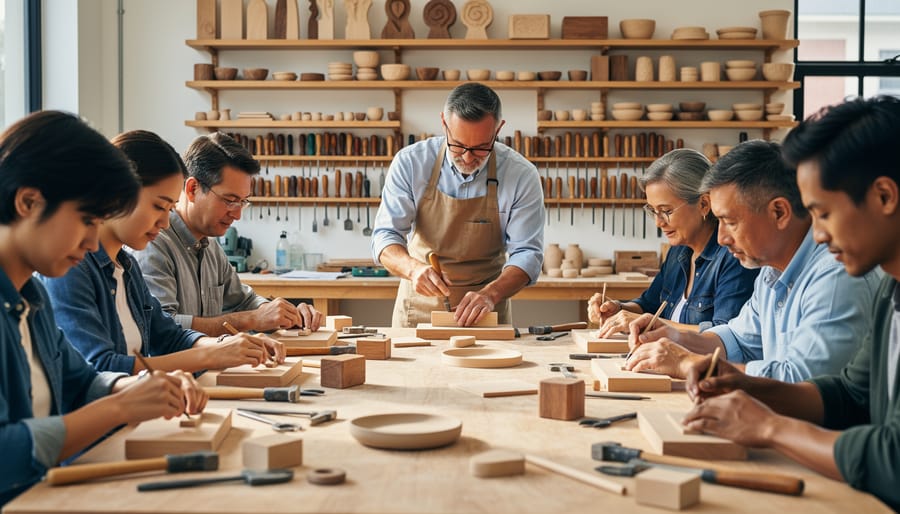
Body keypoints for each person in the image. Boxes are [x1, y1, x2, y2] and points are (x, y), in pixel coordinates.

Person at [682, 96, 900, 510]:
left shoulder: (846, 276)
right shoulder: (892, 291)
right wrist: (748, 385)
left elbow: (894, 458)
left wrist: (769, 427)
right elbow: (852, 396)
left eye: (823, 214)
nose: (816, 235)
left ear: (885, 197)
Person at [0, 111, 207, 507]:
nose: (95, 242)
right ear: (28, 202)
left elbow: (79, 381)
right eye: (87, 220)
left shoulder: (32, 297)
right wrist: (119, 406)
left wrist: (133, 387)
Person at [623, 139, 881, 382]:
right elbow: (737, 339)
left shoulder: (835, 276)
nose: (721, 238)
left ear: (779, 212)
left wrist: (688, 364)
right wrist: (675, 337)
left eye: (730, 222)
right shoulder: (770, 272)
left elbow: (801, 381)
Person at [42, 130, 285, 374]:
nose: (165, 222)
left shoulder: (126, 267)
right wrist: (214, 354)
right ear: (116, 192)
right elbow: (101, 367)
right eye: (159, 206)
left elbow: (170, 337)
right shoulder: (71, 268)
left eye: (169, 208)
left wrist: (228, 345)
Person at [372, 83, 544, 327]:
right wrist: (412, 269)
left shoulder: (521, 175)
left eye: (481, 148)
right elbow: (385, 237)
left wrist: (491, 294)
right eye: (459, 145)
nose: (467, 157)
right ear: (444, 123)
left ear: (498, 130)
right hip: (419, 312)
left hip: (485, 312)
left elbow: (528, 254)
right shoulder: (411, 163)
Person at [133, 132, 322, 337]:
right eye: (230, 200)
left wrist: (283, 313)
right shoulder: (153, 243)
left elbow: (244, 302)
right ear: (192, 188)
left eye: (243, 201)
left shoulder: (211, 247)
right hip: (175, 369)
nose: (238, 214)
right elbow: (161, 328)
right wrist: (252, 319)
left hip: (210, 366)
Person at [587, 149, 758, 335]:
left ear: (703, 204)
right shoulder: (679, 251)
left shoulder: (734, 256)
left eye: (666, 211)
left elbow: (725, 336)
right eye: (653, 211)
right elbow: (649, 305)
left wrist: (651, 323)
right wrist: (619, 309)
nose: (658, 222)